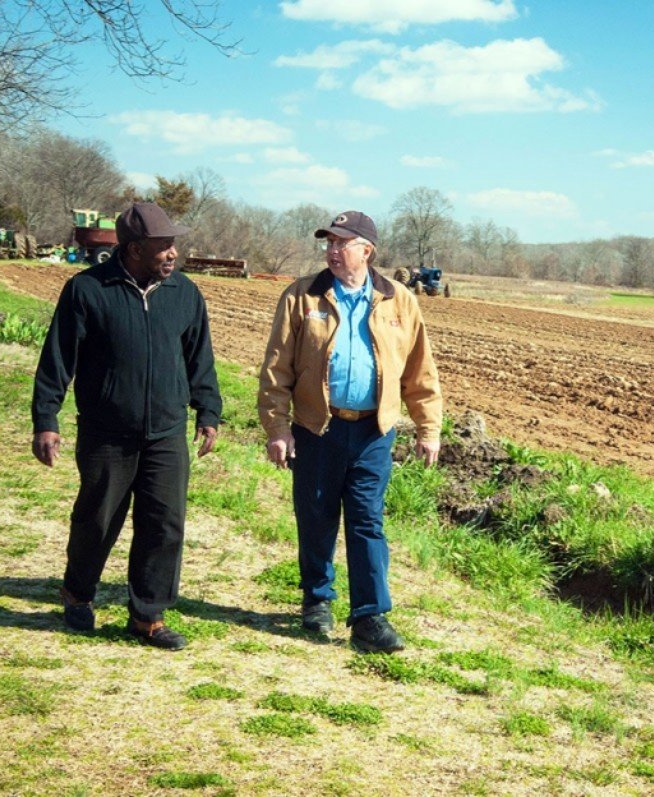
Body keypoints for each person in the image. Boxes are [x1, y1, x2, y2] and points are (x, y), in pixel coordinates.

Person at [31, 202, 222, 651]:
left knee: (164, 524)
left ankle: (147, 616)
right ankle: (78, 593)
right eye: (163, 245)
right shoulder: (87, 290)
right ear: (135, 249)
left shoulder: (184, 293)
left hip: (166, 432)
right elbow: (57, 360)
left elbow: (200, 358)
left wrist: (208, 411)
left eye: (174, 243)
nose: (173, 252)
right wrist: (46, 419)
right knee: (97, 520)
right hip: (106, 432)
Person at [257, 210, 442, 653]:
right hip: (316, 428)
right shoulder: (304, 296)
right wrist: (278, 428)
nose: (333, 251)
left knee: (366, 522)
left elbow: (420, 370)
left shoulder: (398, 300)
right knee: (317, 515)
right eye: (329, 243)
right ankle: (317, 598)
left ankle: (369, 617)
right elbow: (276, 368)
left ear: (367, 251)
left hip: (373, 433)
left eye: (343, 243)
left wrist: (428, 427)